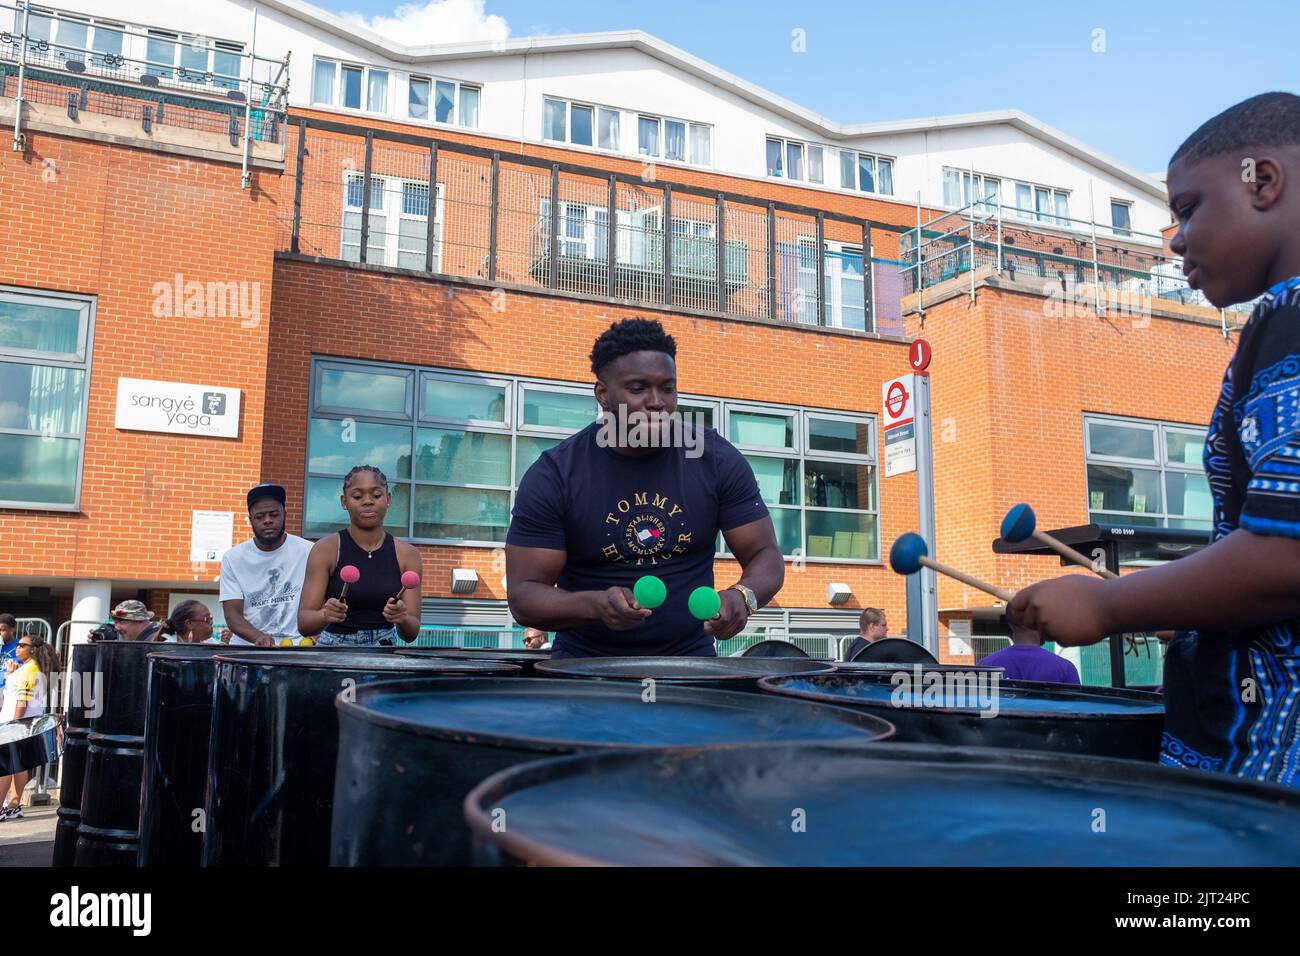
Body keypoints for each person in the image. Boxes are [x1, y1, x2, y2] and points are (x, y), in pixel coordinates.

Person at [1011, 92, 1300, 785]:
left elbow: (1289, 554)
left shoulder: (1290, 320)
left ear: (1263, 180)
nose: (1174, 242)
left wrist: (1111, 603)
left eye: (1188, 208)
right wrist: (1192, 610)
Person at [505, 317, 785, 658]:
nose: (657, 402)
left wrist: (744, 596)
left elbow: (765, 555)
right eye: (638, 388)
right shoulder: (556, 474)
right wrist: (595, 605)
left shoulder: (715, 459)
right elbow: (524, 597)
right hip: (585, 668)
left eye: (667, 388)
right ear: (603, 395)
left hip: (689, 663)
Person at [298, 465, 423, 646]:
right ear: (344, 501)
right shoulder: (326, 549)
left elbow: (411, 634)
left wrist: (402, 618)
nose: (367, 501)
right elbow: (304, 624)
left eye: (376, 495)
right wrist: (324, 615)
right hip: (334, 649)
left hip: (384, 648)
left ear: (388, 499)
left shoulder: (408, 554)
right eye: (357, 496)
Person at [221, 483, 313, 647]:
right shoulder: (233, 558)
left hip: (297, 648)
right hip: (249, 650)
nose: (267, 521)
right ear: (250, 520)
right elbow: (232, 614)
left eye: (274, 514)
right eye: (260, 516)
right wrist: (259, 637)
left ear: (284, 514)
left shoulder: (309, 551)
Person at [0, 633, 57, 821]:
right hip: (22, 723)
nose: (17, 648)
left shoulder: (29, 670)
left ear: (32, 649)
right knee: (17, 765)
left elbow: (22, 701)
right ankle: (14, 805)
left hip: (17, 723)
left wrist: (13, 726)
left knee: (6, 766)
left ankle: (3, 806)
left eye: (21, 645)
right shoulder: (31, 668)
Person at [978, 617, 1080, 684]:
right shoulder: (1065, 668)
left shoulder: (986, 665)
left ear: (1012, 626)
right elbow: (1077, 711)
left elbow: (974, 709)